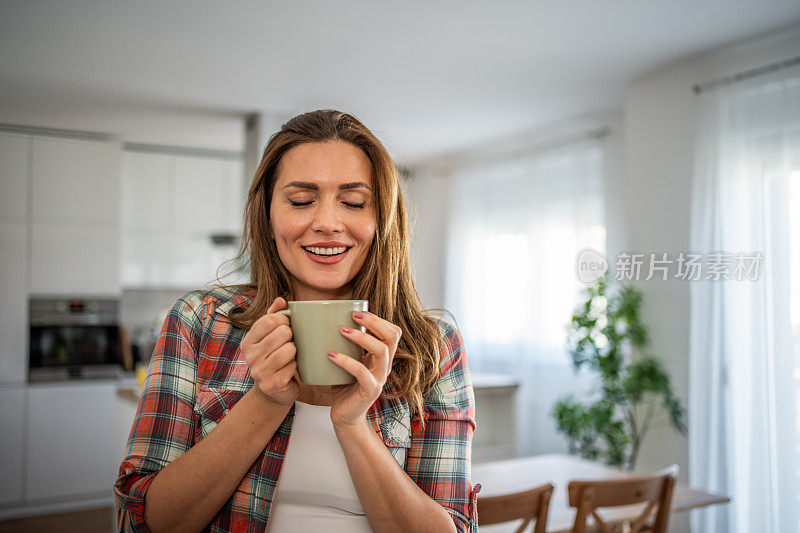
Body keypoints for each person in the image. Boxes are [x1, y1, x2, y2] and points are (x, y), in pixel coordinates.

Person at [114, 109, 480, 532]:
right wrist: (266, 401)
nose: (327, 223)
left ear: (381, 219)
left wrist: (352, 425)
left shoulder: (434, 346)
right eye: (301, 201)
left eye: (354, 202)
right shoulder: (198, 321)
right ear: (268, 216)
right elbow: (147, 523)